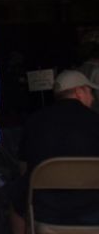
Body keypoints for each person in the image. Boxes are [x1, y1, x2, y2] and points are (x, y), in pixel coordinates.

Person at [10, 69, 99, 232]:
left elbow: (23, 168)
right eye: (90, 92)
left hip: (45, 213)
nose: (93, 98)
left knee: (16, 196)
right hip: (94, 213)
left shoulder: (34, 121)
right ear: (79, 92)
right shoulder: (96, 121)